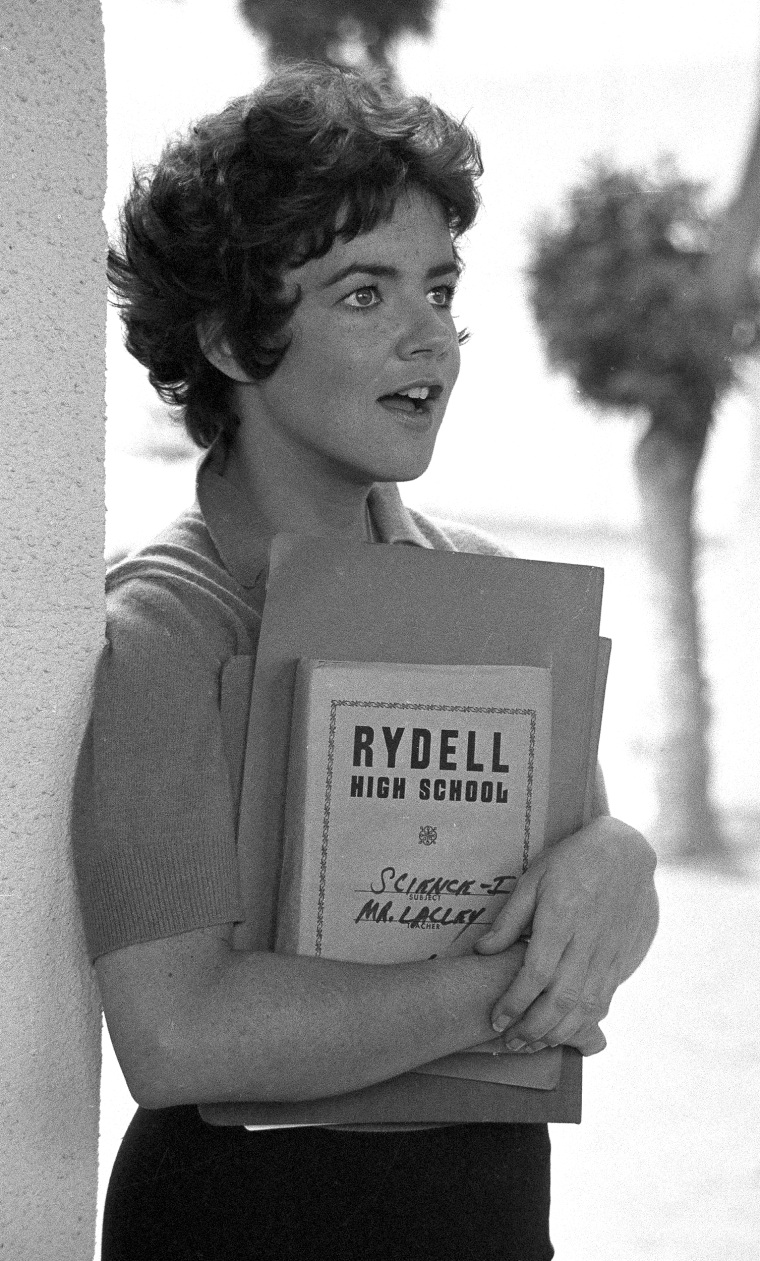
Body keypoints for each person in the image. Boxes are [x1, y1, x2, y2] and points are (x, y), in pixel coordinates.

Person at [73, 62, 659, 1261]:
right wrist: (511, 996)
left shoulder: (493, 595)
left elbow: (585, 878)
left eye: (438, 288)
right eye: (361, 293)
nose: (428, 336)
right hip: (245, 1223)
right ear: (234, 337)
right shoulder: (162, 630)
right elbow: (178, 1031)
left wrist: (624, 861)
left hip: (487, 1212)